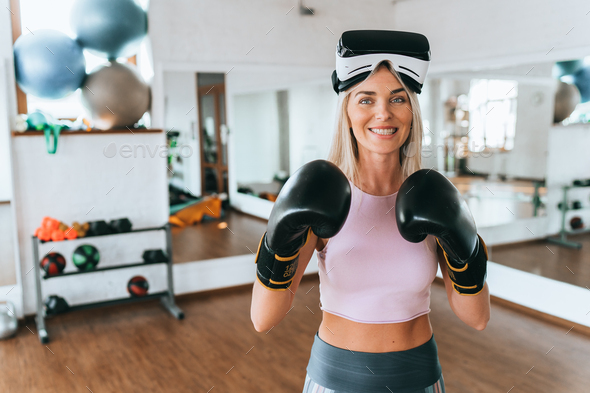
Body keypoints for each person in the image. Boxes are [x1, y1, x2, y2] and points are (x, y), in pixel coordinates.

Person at [250, 30, 491, 393]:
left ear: (411, 111)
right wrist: (279, 241)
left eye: (398, 98)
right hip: (335, 377)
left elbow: (477, 318)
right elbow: (262, 319)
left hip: (418, 376)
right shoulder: (324, 194)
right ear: (347, 113)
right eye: (366, 100)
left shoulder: (430, 196)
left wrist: (464, 247)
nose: (383, 113)